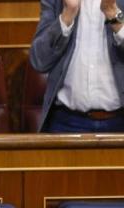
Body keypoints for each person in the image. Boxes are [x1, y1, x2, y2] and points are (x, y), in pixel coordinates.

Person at [29, 0, 124, 132]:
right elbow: (39, 60)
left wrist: (113, 14)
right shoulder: (57, 2)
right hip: (66, 121)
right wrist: (67, 15)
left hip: (119, 121)